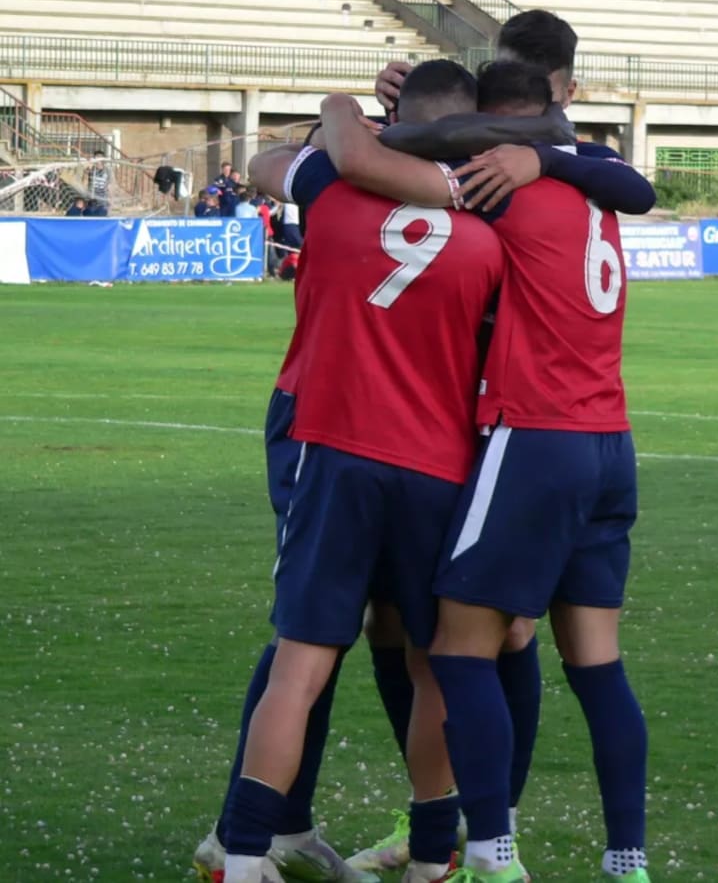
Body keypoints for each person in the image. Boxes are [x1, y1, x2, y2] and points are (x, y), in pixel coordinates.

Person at [323, 60, 654, 883]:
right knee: (597, 666)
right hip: (609, 440)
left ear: (491, 129)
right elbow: (636, 186)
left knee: (459, 649)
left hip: (532, 436)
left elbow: (368, 164)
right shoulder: (593, 184)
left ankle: (486, 854)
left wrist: (363, 117)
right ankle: (628, 862)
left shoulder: (497, 186)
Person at [216, 60, 506, 883]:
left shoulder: (332, 192)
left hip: (333, 447)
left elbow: (265, 162)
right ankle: (431, 854)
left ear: (399, 122)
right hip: (439, 464)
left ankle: (243, 854)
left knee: (302, 659)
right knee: (432, 664)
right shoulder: (493, 234)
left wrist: (344, 121)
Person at [87, 151, 110, 216]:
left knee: (102, 215)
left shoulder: (107, 170)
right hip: (92, 196)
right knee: (91, 215)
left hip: (103, 197)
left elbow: (109, 184)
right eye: (96, 157)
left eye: (100, 157)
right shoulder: (92, 168)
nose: (98, 159)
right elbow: (87, 172)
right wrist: (90, 163)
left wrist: (110, 198)